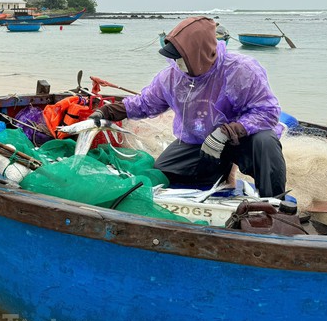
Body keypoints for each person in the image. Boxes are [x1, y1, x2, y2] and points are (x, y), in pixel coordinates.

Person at [90, 16, 286, 197]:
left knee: (265, 142)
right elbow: (145, 103)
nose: (177, 62)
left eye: (182, 57)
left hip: (241, 139)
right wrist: (108, 111)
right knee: (162, 174)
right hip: (198, 141)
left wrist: (227, 132)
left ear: (200, 54)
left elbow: (267, 112)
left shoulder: (242, 70)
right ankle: (219, 172)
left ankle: (274, 204)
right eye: (175, 57)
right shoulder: (171, 76)